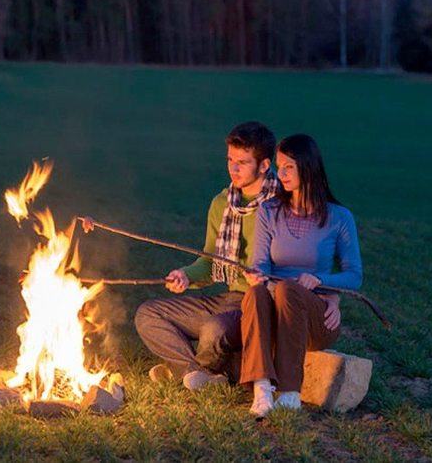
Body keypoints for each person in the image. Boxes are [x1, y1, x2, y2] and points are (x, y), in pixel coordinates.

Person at [86, 122, 281, 390]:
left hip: (260, 304)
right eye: (230, 160)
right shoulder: (222, 204)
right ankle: (198, 373)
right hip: (229, 300)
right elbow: (211, 261)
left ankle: (190, 370)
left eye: (243, 163)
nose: (233, 169)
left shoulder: (282, 204)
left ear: (264, 165)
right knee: (148, 314)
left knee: (215, 330)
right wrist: (186, 276)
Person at [239, 133, 362, 416]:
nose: (280, 174)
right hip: (274, 310)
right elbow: (260, 263)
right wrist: (255, 275)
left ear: (308, 166)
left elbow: (354, 276)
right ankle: (262, 389)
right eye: (278, 167)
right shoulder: (269, 211)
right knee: (256, 292)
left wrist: (322, 281)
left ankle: (290, 392)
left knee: (287, 290)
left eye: (288, 167)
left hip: (315, 317)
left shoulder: (339, 217)